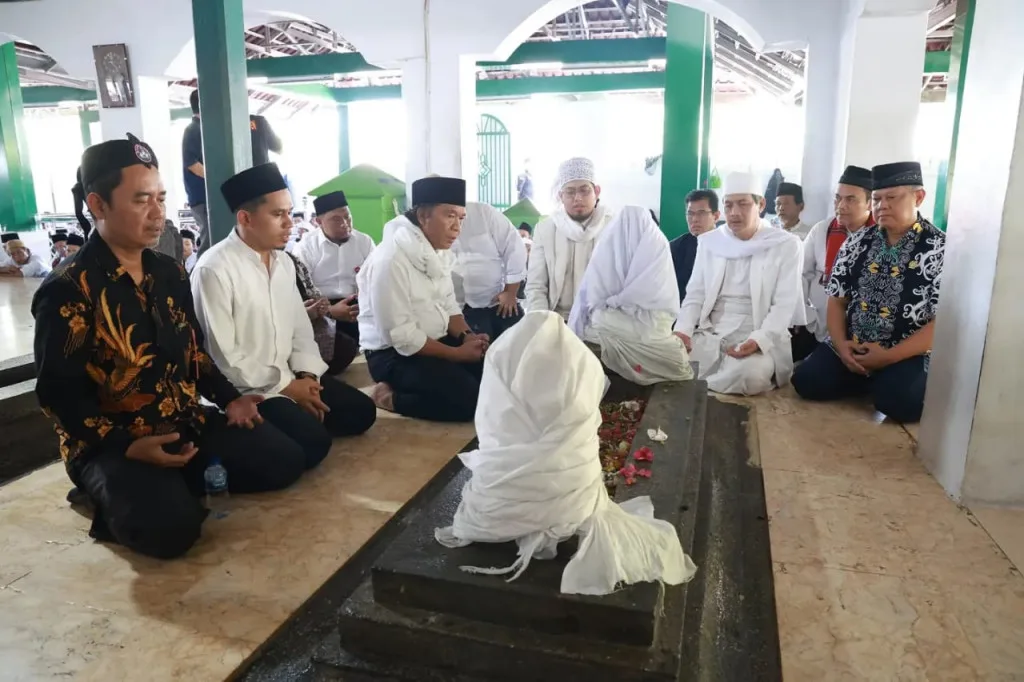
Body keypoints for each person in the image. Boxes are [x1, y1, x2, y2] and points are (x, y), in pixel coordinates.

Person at [31, 135, 306, 560]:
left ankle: (164, 482)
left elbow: (194, 352)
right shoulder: (70, 288)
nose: (158, 213)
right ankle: (106, 487)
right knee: (171, 532)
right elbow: (57, 393)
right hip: (113, 441)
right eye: (142, 200)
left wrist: (231, 400)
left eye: (161, 198)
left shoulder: (168, 272)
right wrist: (124, 446)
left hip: (182, 420)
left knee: (284, 459)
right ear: (98, 205)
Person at [435, 310, 697, 595]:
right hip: (572, 493)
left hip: (501, 495)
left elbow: (492, 424)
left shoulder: (502, 357)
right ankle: (548, 509)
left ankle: (525, 511)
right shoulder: (580, 362)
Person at [191, 163, 377, 470]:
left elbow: (300, 330)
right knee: (309, 448)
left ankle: (295, 418)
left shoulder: (284, 262)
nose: (290, 223)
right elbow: (224, 357)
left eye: (290, 212)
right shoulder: (215, 269)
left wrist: (308, 377)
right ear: (245, 218)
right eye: (278, 214)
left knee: (361, 413)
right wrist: (289, 390)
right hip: (251, 388)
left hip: (292, 376)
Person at [792, 162, 943, 424]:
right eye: (876, 199)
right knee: (806, 382)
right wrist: (841, 347)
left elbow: (940, 323)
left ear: (918, 197)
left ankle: (881, 379)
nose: (881, 206)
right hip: (854, 344)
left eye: (891, 198)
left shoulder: (939, 249)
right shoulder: (858, 241)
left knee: (900, 404)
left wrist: (888, 357)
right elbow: (837, 300)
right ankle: (864, 376)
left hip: (905, 353)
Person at [359, 176, 486, 422]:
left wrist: (468, 338)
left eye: (461, 218)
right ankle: (387, 396)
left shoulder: (437, 251)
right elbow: (401, 337)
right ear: (423, 215)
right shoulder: (391, 260)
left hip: (434, 340)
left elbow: (449, 305)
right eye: (449, 215)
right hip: (392, 354)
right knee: (467, 399)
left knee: (495, 376)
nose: (457, 228)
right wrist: (458, 354)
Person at [673, 171, 804, 395]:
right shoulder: (710, 242)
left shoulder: (785, 244)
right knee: (664, 357)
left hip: (757, 334)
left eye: (743, 204)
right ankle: (709, 379)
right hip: (711, 333)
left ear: (760, 204)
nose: (734, 213)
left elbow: (784, 305)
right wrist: (683, 330)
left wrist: (758, 340)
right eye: (728, 205)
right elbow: (695, 294)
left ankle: (700, 382)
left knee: (752, 376)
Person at [569, 206, 693, 385]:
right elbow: (597, 292)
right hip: (624, 319)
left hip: (647, 318)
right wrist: (614, 304)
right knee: (599, 320)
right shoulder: (653, 242)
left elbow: (649, 296)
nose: (629, 234)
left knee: (598, 321)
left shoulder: (653, 246)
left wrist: (614, 302)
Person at [183, 89, 284, 256]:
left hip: (241, 194)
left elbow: (278, 147)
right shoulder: (195, 129)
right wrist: (221, 182)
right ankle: (201, 278)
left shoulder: (238, 125)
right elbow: (192, 164)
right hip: (206, 198)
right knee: (211, 242)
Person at [525, 157, 616, 319]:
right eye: (570, 192)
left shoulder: (614, 228)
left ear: (597, 192)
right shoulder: (545, 230)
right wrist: (541, 324)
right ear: (561, 195)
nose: (577, 198)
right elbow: (536, 286)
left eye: (584, 190)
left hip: (602, 323)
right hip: (557, 319)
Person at [801, 166, 875, 343]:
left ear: (870, 203)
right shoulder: (821, 230)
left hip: (862, 332)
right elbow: (800, 274)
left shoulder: (881, 236)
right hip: (815, 324)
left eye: (850, 199)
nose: (841, 206)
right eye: (838, 198)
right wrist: (807, 316)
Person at [294, 190, 374, 346]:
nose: (345, 223)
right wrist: (330, 311)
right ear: (318, 221)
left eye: (347, 217)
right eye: (336, 220)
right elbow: (301, 291)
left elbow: (376, 279)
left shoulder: (364, 242)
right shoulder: (305, 247)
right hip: (320, 308)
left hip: (358, 306)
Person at [451, 202, 528, 341]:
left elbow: (514, 248)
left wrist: (510, 292)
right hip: (457, 310)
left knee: (514, 350)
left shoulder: (483, 213)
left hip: (498, 303)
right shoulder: (425, 229)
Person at [288, 251, 360, 374]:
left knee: (346, 345)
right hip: (284, 335)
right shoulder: (306, 246)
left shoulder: (292, 260)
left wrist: (325, 309)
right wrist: (302, 316)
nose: (287, 230)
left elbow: (314, 295)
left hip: (318, 315)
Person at [670, 189, 720, 304]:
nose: (695, 219)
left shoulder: (728, 247)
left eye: (701, 213)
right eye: (690, 213)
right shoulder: (676, 248)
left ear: (716, 216)